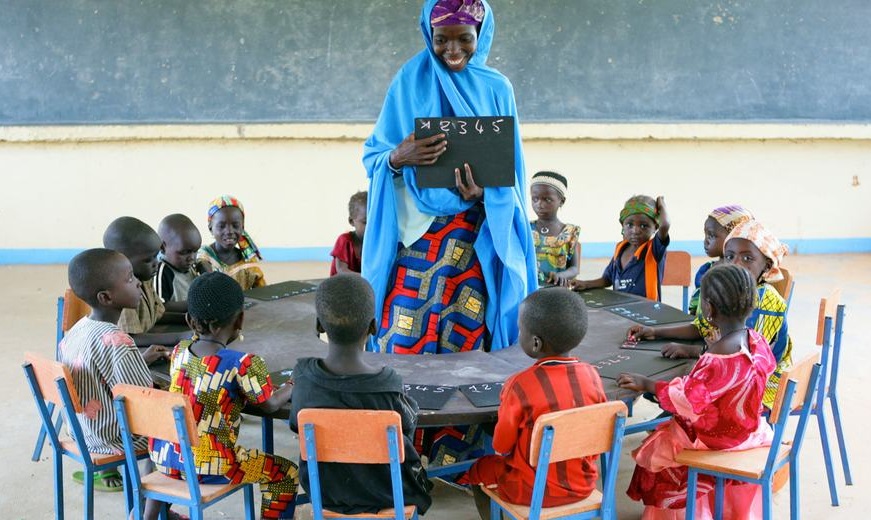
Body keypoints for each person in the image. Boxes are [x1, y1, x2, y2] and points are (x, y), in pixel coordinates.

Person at [362, 0, 537, 355]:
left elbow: (511, 176)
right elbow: (373, 157)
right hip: (416, 240)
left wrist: (486, 194)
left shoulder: (497, 89)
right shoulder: (409, 80)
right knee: (401, 339)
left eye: (464, 39)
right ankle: (403, 412)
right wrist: (398, 157)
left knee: (467, 344)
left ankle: (462, 411)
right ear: (429, 34)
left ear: (481, 35)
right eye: (441, 39)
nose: (452, 50)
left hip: (474, 239)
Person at [617, 264, 777, 520]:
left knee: (657, 443)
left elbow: (687, 402)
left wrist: (647, 384)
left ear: (709, 309)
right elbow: (756, 371)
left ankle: (679, 513)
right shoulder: (756, 341)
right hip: (748, 430)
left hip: (715, 440)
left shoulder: (715, 358)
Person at [147, 272, 298, 520]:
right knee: (284, 473)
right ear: (240, 320)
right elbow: (270, 404)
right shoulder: (243, 363)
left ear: (189, 320)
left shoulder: (179, 352)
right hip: (211, 465)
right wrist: (293, 382)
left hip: (167, 458)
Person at [289, 274, 433, 515]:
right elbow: (407, 428)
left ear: (318, 326)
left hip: (327, 493)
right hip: (388, 494)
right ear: (374, 326)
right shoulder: (389, 385)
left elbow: (296, 423)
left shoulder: (303, 377)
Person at [467, 287, 606, 519]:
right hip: (583, 485)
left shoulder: (521, 385)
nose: (518, 333)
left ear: (535, 343)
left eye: (521, 329)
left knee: (478, 470)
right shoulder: (592, 376)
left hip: (530, 491)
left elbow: (501, 446)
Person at [626, 219, 792, 408]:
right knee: (676, 390)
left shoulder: (767, 301)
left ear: (767, 266)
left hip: (760, 390)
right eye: (730, 256)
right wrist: (656, 332)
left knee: (682, 394)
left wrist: (694, 352)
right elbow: (702, 326)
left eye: (747, 258)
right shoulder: (731, 289)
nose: (736, 263)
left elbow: (745, 362)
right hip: (734, 378)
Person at [58, 248, 169, 492]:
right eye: (130, 279)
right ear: (106, 298)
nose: (138, 283)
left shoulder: (76, 331)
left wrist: (140, 360)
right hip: (113, 438)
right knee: (174, 426)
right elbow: (144, 399)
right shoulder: (119, 341)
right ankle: (151, 502)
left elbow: (101, 371)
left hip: (82, 431)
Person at [103, 216, 189, 347]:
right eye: (148, 260)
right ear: (122, 259)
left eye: (156, 256)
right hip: (128, 355)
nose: (156, 263)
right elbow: (130, 339)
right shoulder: (122, 293)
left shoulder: (145, 279)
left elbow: (156, 315)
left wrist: (188, 319)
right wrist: (180, 336)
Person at [570, 195, 671, 301]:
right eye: (630, 225)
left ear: (655, 227)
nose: (635, 231)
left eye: (643, 226)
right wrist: (585, 284)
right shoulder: (620, 250)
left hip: (648, 311)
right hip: (620, 309)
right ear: (622, 225)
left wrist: (661, 204)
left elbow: (665, 224)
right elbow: (607, 279)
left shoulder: (654, 250)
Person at [687, 205, 754, 315]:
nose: (706, 241)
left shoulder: (742, 275)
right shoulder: (706, 269)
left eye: (712, 235)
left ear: (734, 237)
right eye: (706, 234)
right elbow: (694, 312)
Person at [197, 195, 267, 290]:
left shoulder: (248, 261)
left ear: (242, 227)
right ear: (211, 228)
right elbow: (212, 286)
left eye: (235, 225)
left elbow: (262, 290)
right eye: (221, 226)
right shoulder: (204, 257)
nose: (229, 231)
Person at [529, 171, 581, 287]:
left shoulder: (570, 233)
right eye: (535, 199)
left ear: (561, 201)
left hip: (557, 291)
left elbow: (574, 268)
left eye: (547, 200)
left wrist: (562, 275)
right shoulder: (526, 229)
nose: (539, 204)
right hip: (530, 290)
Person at [154, 213, 202, 309]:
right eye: (184, 252)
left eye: (195, 251)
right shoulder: (162, 271)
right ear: (162, 247)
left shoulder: (192, 267)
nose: (192, 258)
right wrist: (195, 305)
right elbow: (159, 308)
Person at [330, 191, 367, 276]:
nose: (370, 228)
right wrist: (368, 277)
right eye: (365, 222)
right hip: (341, 286)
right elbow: (342, 271)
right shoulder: (344, 240)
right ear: (351, 221)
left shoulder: (374, 244)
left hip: (361, 287)